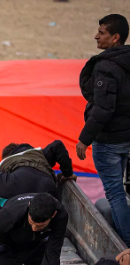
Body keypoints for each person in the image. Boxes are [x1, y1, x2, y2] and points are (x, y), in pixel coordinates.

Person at [76, 14, 129, 246]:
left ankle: (126, 244)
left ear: (115, 37)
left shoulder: (107, 67)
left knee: (115, 193)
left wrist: (84, 139)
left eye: (102, 32)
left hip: (109, 141)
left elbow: (103, 108)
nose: (96, 36)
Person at [0, 141, 76, 220]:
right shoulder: (37, 153)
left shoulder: (4, 163)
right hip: (47, 185)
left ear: (5, 157)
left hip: (17, 183)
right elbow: (57, 145)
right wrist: (68, 173)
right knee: (50, 219)